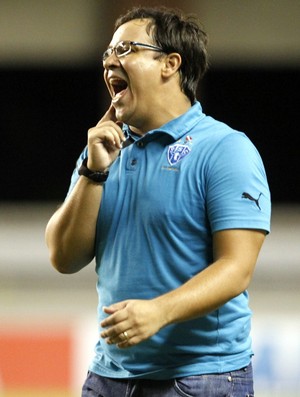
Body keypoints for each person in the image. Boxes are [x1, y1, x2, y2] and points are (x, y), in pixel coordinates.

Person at [45, 6, 271, 397]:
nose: (111, 60)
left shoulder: (225, 149)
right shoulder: (101, 151)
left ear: (170, 63)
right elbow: (64, 258)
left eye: (127, 48)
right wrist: (93, 172)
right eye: (108, 53)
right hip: (108, 375)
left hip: (201, 376)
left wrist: (159, 311)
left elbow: (236, 269)